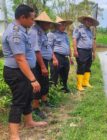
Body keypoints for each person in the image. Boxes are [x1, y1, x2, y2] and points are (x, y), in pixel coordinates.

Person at [2, 4, 47, 140]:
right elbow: (20, 59)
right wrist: (33, 79)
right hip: (17, 72)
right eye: (32, 19)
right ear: (22, 17)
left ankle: (29, 122)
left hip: (24, 71)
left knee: (28, 97)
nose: (33, 22)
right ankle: (14, 135)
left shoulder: (22, 29)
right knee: (19, 101)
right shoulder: (15, 33)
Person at [30, 11, 57, 119]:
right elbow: (36, 51)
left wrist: (53, 57)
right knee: (37, 84)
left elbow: (47, 47)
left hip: (44, 61)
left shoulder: (43, 32)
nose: (49, 25)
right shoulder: (34, 32)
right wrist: (42, 66)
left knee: (45, 82)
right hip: (37, 62)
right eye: (48, 23)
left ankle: (44, 101)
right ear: (42, 22)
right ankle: (35, 107)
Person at [73, 15, 99, 91]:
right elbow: (74, 40)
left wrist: (94, 52)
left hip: (88, 51)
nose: (89, 22)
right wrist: (75, 50)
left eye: (90, 21)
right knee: (81, 67)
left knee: (88, 67)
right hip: (81, 50)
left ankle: (85, 82)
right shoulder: (78, 29)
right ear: (84, 21)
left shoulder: (90, 31)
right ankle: (79, 85)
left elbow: (93, 42)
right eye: (87, 20)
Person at [48, 16, 73, 93]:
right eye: (62, 25)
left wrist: (70, 57)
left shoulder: (65, 35)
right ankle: (53, 91)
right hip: (56, 56)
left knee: (65, 74)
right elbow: (49, 47)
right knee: (54, 75)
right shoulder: (51, 34)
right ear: (56, 25)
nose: (64, 26)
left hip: (65, 58)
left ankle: (64, 88)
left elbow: (68, 46)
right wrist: (54, 58)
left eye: (65, 25)